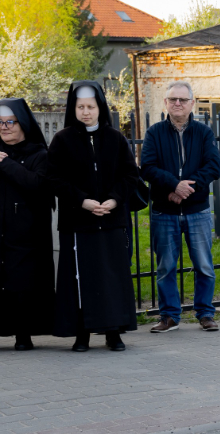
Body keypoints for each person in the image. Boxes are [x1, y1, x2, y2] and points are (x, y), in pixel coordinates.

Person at [48, 81, 142, 351]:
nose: (86, 112)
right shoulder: (62, 139)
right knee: (79, 278)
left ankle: (114, 332)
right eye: (80, 107)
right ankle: (82, 334)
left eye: (90, 106)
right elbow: (54, 178)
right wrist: (83, 202)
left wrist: (113, 200)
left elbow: (130, 175)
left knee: (112, 277)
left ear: (100, 107)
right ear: (73, 108)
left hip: (111, 219)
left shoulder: (115, 138)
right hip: (78, 222)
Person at [139, 81, 220, 333]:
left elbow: (213, 166)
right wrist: (174, 185)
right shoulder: (154, 133)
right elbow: (148, 168)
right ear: (165, 103)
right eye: (173, 99)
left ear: (192, 104)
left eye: (183, 100)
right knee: (165, 267)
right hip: (164, 212)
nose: (177, 103)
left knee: (204, 265)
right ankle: (169, 316)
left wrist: (185, 189)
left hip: (197, 211)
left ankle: (205, 313)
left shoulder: (204, 133)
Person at [0, 98, 55, 351]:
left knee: (23, 285)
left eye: (10, 121)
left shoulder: (39, 154)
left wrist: (6, 163)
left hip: (26, 234)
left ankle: (24, 335)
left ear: (22, 124)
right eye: (0, 123)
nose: (5, 127)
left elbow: (39, 186)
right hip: (2, 231)